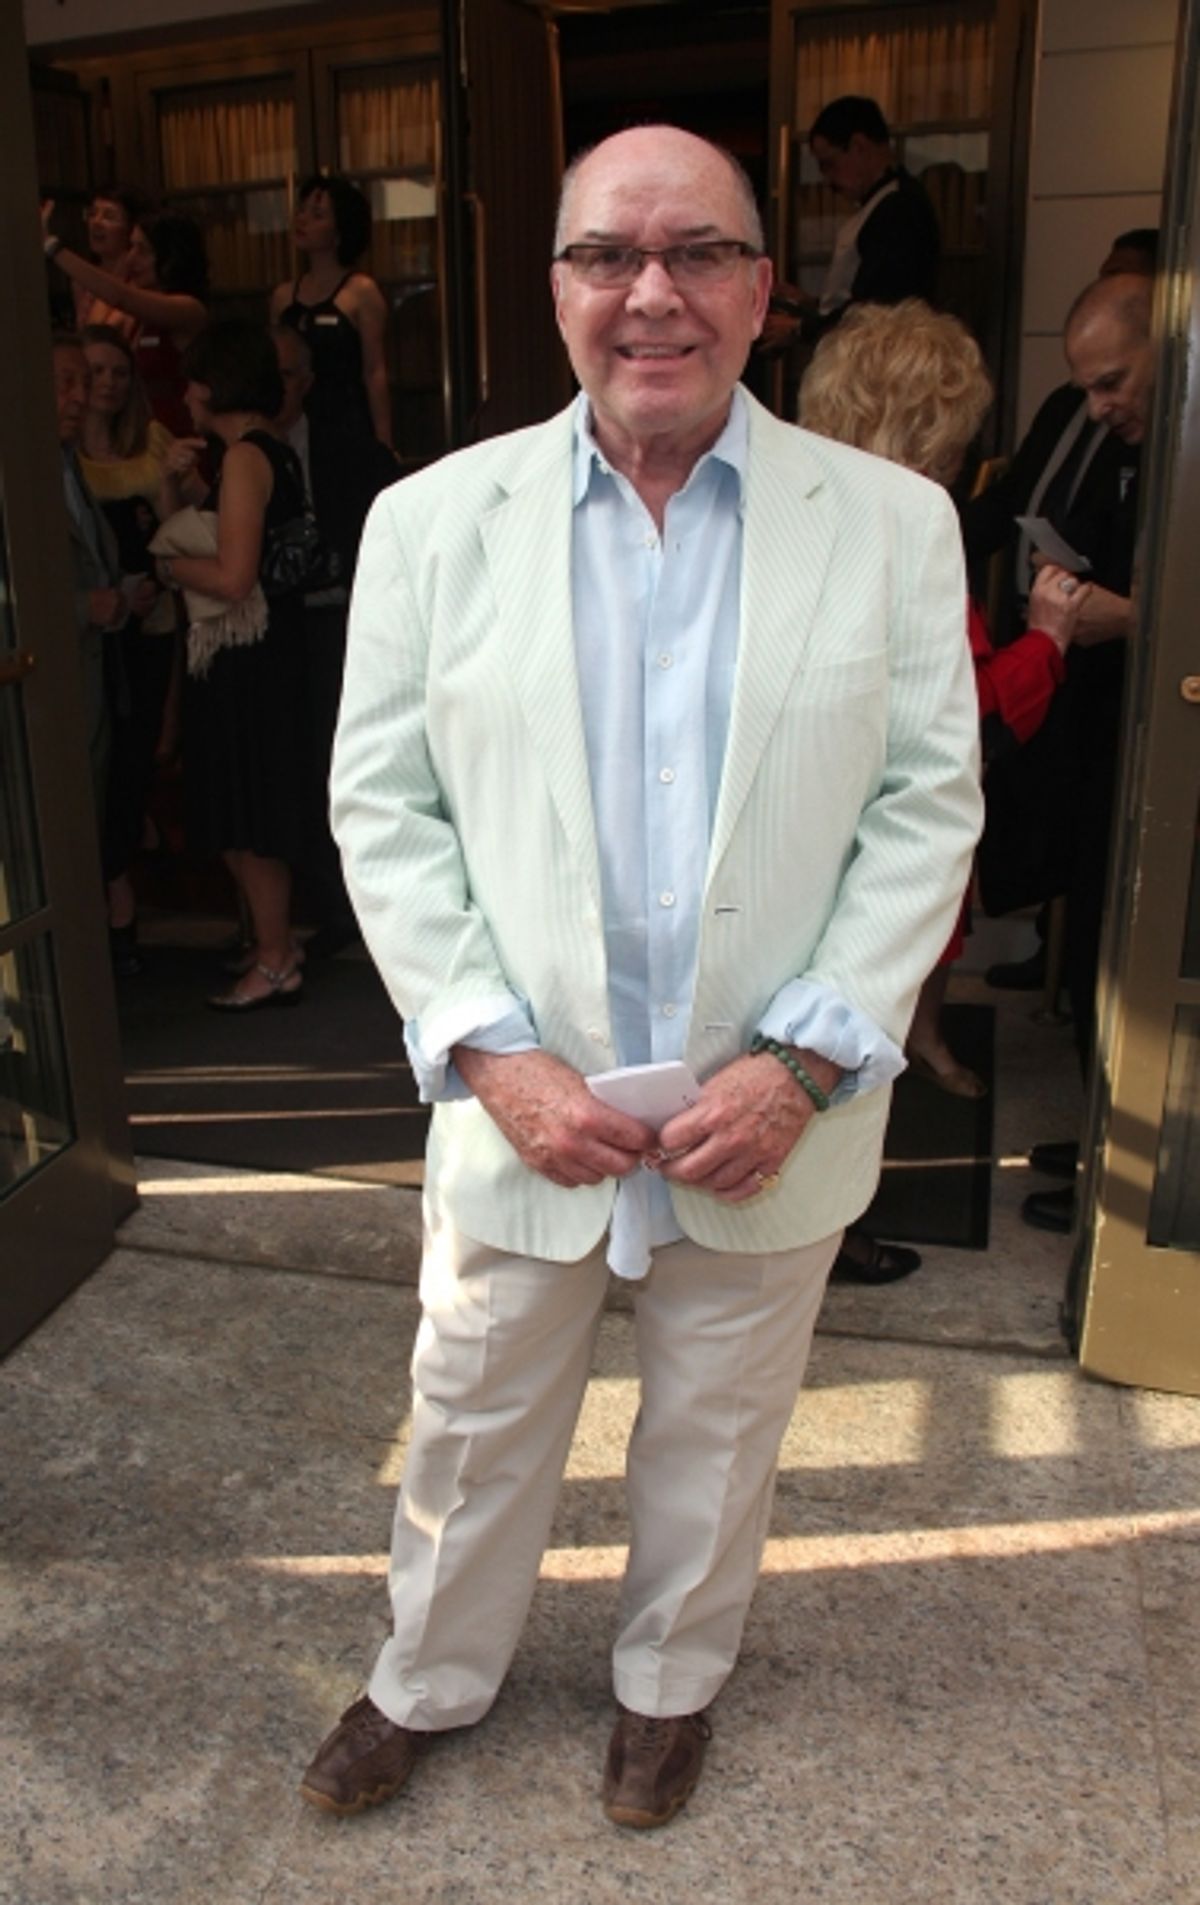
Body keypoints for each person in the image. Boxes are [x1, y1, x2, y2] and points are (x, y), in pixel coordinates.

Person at [301, 126, 982, 1831]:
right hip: (524, 1098)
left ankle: (669, 1685)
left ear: (765, 288)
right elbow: (383, 809)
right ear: (557, 289)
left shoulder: (893, 527)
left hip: (768, 1099)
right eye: (608, 255)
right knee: (469, 1413)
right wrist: (493, 1057)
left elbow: (924, 807)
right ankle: (428, 1678)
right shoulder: (430, 524)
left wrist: (810, 1064)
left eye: (697, 254)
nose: (651, 294)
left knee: (723, 1420)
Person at [800, 299, 1092, 1098]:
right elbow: (968, 716)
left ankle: (919, 1040)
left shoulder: (808, 509)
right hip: (883, 821)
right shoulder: (910, 534)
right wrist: (1048, 639)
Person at [1015, 273, 1156, 1233]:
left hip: (1162, 749)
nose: (1099, 407)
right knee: (1094, 952)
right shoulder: (1126, 446)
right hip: (1111, 735)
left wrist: (1135, 620)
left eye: (1112, 382)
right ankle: (1111, 1136)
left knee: (1136, 963)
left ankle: (1137, 1171)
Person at [152, 319, 311, 1010]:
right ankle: (273, 945)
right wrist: (174, 492)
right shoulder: (262, 452)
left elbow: (235, 575)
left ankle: (276, 958)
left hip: (248, 659)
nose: (184, 394)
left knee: (249, 818)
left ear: (216, 383)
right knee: (245, 810)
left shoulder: (247, 457)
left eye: (192, 381)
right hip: (262, 655)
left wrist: (167, 565)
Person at [78, 323, 202, 974]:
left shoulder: (150, 445)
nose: (105, 383)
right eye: (92, 371)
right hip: (90, 632)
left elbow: (172, 532)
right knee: (94, 780)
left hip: (146, 630)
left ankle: (121, 897)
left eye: (117, 372)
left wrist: (152, 587)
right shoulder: (60, 457)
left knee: (130, 763)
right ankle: (116, 904)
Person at [53, 332, 157, 834]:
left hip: (95, 686)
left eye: (84, 381)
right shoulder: (21, 473)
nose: (82, 395)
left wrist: (121, 592)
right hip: (46, 693)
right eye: (68, 383)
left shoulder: (67, 462)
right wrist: (80, 608)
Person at [271, 174, 395, 583]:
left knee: (348, 525)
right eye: (302, 210)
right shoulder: (282, 296)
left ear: (340, 229)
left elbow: (374, 370)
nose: (303, 220)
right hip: (293, 425)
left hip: (345, 423)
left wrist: (383, 443)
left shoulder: (360, 292)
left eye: (318, 213)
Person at [762, 95, 940, 355]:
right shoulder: (881, 204)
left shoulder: (899, 209)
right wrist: (812, 305)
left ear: (858, 147)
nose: (828, 180)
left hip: (877, 361)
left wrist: (800, 328)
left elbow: (878, 306)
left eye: (829, 164)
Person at [43, 204, 209, 440]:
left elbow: (121, 296)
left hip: (175, 439)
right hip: (134, 440)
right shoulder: (133, 314)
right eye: (131, 247)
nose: (131, 259)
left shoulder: (188, 309)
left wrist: (52, 247)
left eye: (142, 251)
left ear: (171, 256)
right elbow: (93, 339)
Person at [69, 184, 147, 337]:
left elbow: (98, 332)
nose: (96, 222)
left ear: (131, 228)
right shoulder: (81, 280)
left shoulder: (140, 278)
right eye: (92, 214)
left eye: (109, 216)